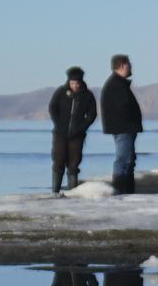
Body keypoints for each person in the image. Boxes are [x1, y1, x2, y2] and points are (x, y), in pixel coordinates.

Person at [98, 55, 143, 193]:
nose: (131, 66)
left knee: (128, 161)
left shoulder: (118, 83)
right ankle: (120, 192)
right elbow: (122, 109)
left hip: (125, 128)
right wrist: (132, 120)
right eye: (129, 63)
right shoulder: (116, 85)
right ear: (123, 65)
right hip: (123, 129)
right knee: (123, 161)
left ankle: (127, 192)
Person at [47, 66, 92, 195]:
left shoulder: (87, 95)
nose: (75, 86)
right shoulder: (61, 92)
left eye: (77, 83)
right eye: (72, 83)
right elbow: (52, 108)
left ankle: (72, 193)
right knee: (58, 162)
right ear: (69, 82)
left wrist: (82, 127)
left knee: (73, 164)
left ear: (81, 82)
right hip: (60, 134)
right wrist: (59, 123)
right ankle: (55, 191)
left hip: (77, 135)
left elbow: (91, 114)